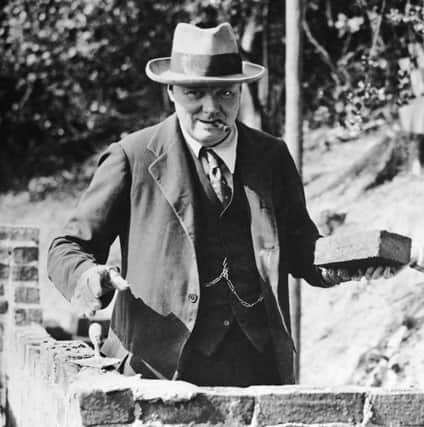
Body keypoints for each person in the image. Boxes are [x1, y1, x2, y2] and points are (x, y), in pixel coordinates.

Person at [47, 22, 393, 386]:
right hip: (157, 371)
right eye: (195, 94)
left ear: (241, 92)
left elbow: (300, 248)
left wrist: (349, 263)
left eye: (226, 94)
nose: (211, 109)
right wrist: (89, 277)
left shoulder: (271, 157)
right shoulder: (131, 158)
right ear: (172, 90)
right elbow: (66, 248)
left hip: (257, 371)